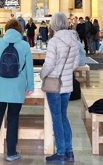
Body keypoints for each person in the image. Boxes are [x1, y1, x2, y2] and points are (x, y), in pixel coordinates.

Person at [0, 19, 34, 162]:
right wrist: (30, 86)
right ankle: (11, 153)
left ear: (6, 29)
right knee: (13, 119)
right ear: (19, 30)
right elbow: (29, 68)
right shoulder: (24, 45)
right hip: (17, 88)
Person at [40, 12, 80, 163]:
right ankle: (69, 152)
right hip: (67, 85)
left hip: (54, 85)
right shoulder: (74, 39)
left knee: (56, 118)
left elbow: (49, 65)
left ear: (54, 24)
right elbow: (76, 63)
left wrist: (42, 75)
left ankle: (61, 153)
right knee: (63, 116)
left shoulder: (54, 41)